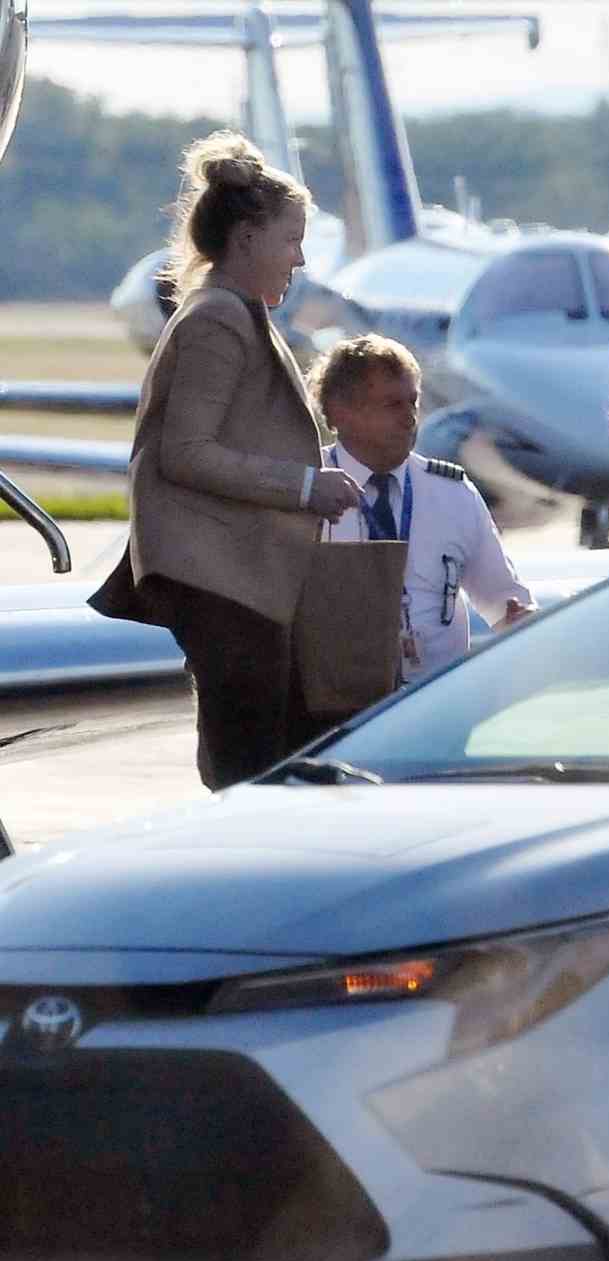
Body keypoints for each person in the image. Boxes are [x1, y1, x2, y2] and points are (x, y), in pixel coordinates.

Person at [88, 130, 363, 791]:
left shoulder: (230, 311)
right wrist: (303, 486)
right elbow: (186, 452)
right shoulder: (217, 318)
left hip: (243, 578)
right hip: (224, 579)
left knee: (268, 750)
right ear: (245, 240)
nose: (298, 259)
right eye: (291, 240)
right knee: (246, 765)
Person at [306, 333, 536, 683]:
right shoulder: (307, 493)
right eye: (392, 405)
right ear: (341, 412)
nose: (410, 418)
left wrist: (521, 620)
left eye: (412, 402)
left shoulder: (452, 494)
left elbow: (504, 601)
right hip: (336, 712)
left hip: (433, 709)